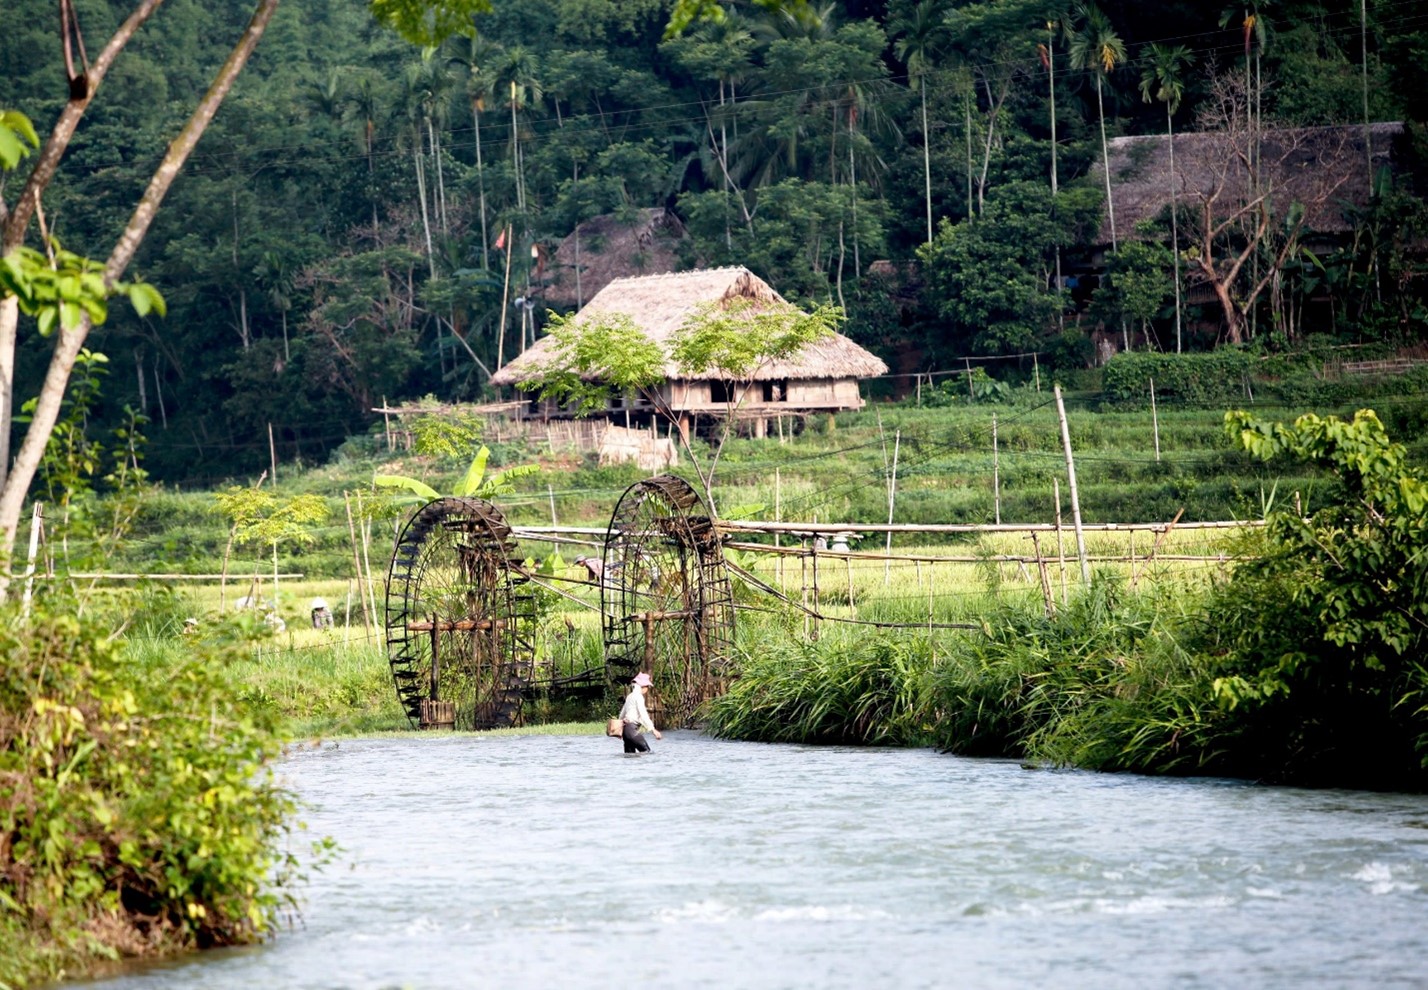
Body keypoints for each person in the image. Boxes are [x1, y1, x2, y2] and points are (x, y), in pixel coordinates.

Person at [618, 672, 663, 754]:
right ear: (643, 687)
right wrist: (653, 730)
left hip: (625, 732)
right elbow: (643, 715)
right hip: (632, 731)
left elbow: (622, 715)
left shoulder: (630, 696)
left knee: (629, 757)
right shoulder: (638, 697)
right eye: (647, 687)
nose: (647, 689)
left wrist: (620, 731)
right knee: (647, 753)